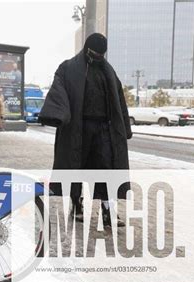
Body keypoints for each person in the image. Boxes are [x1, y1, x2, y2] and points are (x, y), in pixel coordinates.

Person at [38, 33, 132, 228]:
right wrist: (55, 114)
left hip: (103, 130)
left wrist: (124, 127)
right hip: (77, 128)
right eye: (94, 53)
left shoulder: (108, 71)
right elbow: (58, 92)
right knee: (76, 168)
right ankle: (76, 205)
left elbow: (119, 100)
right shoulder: (68, 68)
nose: (97, 56)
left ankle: (108, 210)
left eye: (100, 54)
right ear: (86, 49)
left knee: (107, 168)